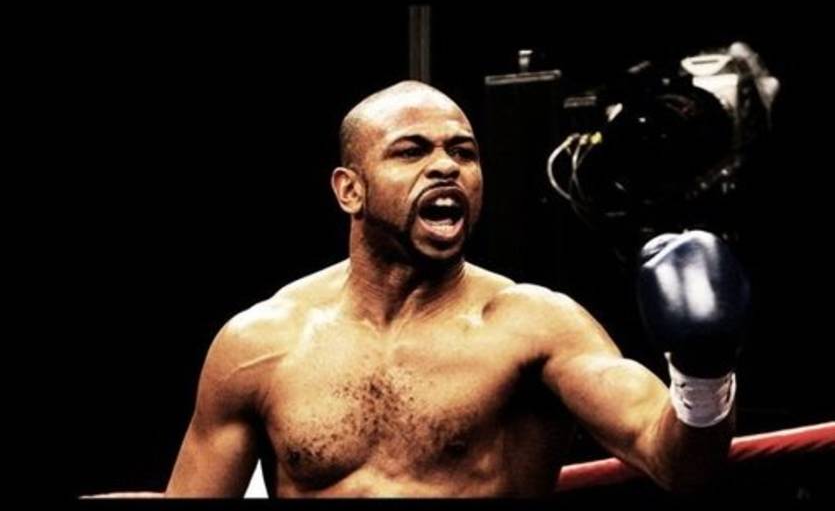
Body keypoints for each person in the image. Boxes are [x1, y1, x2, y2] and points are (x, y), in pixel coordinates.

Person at [163, 80, 746, 497]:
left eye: (463, 152)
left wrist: (703, 374)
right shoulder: (261, 344)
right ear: (350, 190)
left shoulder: (535, 327)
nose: (447, 167)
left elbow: (678, 463)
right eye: (412, 151)